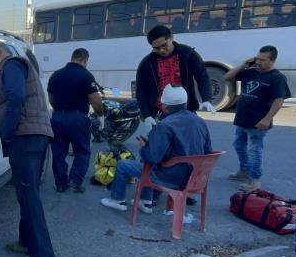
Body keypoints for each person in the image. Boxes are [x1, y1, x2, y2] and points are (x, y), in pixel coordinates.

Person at [0, 42, 57, 257]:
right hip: (34, 136)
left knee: (29, 197)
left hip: (25, 138)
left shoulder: (11, 65)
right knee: (26, 194)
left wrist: (7, 130)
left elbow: (15, 97)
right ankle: (25, 242)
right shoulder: (13, 68)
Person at [101, 85, 212, 213]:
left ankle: (117, 200)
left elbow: (153, 158)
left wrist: (144, 147)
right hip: (196, 177)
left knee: (124, 165)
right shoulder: (200, 121)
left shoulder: (165, 125)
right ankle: (145, 201)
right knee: (148, 162)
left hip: (172, 177)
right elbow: (208, 151)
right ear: (185, 103)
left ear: (164, 106)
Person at [224, 45, 290, 191]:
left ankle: (255, 181)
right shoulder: (251, 72)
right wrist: (244, 64)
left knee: (254, 150)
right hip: (242, 118)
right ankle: (244, 171)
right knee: (239, 145)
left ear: (272, 60)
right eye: (257, 58)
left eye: (262, 60)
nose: (258, 62)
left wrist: (267, 119)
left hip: (258, 122)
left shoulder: (277, 78)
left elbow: (278, 100)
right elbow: (227, 77)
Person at [136, 25, 215, 131]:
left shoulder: (188, 54)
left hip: (186, 110)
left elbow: (202, 76)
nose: (162, 50)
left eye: (164, 45)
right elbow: (141, 91)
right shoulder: (147, 63)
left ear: (171, 38)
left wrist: (206, 99)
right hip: (161, 113)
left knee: (190, 141)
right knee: (163, 144)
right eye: (156, 48)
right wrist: (147, 115)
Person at [47, 48, 104, 193]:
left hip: (57, 118)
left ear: (72, 57)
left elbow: (51, 99)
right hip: (78, 118)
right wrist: (100, 115)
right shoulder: (86, 75)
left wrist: (61, 111)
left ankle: (60, 184)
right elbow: (95, 101)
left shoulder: (56, 75)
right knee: (82, 151)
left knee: (59, 152)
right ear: (85, 60)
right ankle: (74, 181)